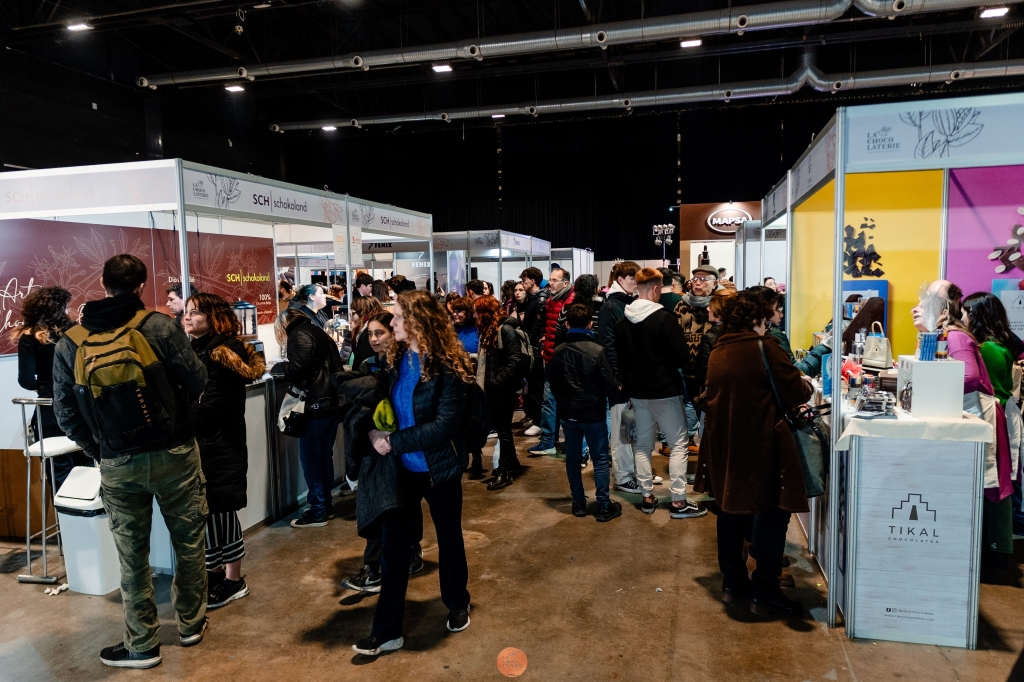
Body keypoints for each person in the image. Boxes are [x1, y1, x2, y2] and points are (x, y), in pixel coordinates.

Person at [52, 254, 209, 669]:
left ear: (103, 285)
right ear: (141, 286)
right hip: (175, 453)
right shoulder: (159, 326)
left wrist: (100, 449)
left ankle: (142, 644)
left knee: (132, 554)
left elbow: (65, 413)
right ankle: (191, 625)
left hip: (118, 461)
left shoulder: (72, 341)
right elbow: (197, 378)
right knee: (188, 541)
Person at [355, 290, 473, 657]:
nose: (392, 323)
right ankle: (386, 631)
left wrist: (393, 441)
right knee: (393, 549)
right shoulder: (396, 358)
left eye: (398, 317)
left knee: (449, 539)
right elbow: (383, 406)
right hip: (402, 470)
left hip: (440, 469)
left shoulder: (449, 365)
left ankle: (457, 602)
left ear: (419, 321)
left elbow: (443, 426)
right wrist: (373, 432)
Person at [696, 289, 811, 616]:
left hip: (725, 445)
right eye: (775, 309)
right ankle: (765, 592)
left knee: (730, 512)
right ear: (761, 313)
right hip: (762, 445)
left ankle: (732, 583)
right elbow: (796, 391)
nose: (779, 315)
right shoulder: (765, 347)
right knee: (773, 515)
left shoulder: (721, 347)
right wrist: (806, 382)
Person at [919, 283, 1013, 579]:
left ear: (945, 308)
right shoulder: (941, 335)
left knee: (983, 490)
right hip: (967, 418)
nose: (918, 306)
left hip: (976, 419)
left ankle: (987, 558)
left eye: (928, 301)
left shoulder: (956, 336)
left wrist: (928, 384)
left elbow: (969, 378)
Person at [183, 293, 265, 610]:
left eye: (194, 312)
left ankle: (234, 581)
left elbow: (210, 407)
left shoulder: (221, 353)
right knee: (210, 512)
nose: (187, 316)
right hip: (207, 445)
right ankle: (216, 573)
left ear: (213, 317)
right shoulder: (200, 348)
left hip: (219, 445)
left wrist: (178, 415)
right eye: (186, 311)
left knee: (223, 511)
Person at [342, 311, 426, 593]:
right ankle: (374, 567)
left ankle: (409, 551)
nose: (375, 339)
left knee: (404, 504)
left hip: (406, 447)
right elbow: (357, 408)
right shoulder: (368, 365)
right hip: (378, 450)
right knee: (381, 505)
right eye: (370, 334)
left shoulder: (407, 364)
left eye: (381, 332)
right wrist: (370, 431)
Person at [615, 268, 704, 519]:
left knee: (643, 446)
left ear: (637, 287)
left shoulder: (622, 322)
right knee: (678, 445)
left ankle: (647, 496)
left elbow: (620, 360)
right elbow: (682, 356)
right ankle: (678, 501)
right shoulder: (665, 318)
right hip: (666, 391)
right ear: (656, 288)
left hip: (637, 394)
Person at [273, 307, 344, 527]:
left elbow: (298, 368)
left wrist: (278, 368)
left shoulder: (299, 334)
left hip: (315, 405)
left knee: (312, 460)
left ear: (284, 324)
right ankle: (326, 505)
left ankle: (318, 510)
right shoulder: (316, 331)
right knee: (323, 458)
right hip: (329, 403)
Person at [549, 303, 621, 522]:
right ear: (590, 324)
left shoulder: (558, 351)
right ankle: (603, 505)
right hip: (593, 413)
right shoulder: (597, 351)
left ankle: (578, 502)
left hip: (568, 414)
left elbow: (553, 384)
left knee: (572, 459)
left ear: (567, 324)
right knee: (600, 459)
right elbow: (609, 385)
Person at [15, 285, 91, 489]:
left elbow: (26, 380)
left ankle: (64, 509)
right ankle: (86, 508)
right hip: (80, 405)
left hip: (50, 409)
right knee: (86, 465)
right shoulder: (76, 333)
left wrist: (46, 387)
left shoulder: (30, 337)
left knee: (59, 470)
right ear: (59, 309)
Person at [598, 261, 642, 494]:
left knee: (631, 427)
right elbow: (608, 345)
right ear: (620, 279)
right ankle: (623, 476)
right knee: (621, 429)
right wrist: (616, 376)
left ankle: (633, 471)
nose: (636, 282)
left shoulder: (629, 302)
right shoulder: (611, 306)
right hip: (620, 379)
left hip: (632, 377)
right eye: (632, 278)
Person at [475, 296, 526, 490]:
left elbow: (515, 361)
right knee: (502, 428)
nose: (474, 315)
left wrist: (495, 382)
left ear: (485, 313)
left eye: (477, 311)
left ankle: (505, 471)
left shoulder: (504, 330)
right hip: (497, 389)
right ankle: (512, 463)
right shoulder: (489, 331)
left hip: (503, 390)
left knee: (503, 430)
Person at [530, 267, 574, 456]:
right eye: (550, 279)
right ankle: (548, 440)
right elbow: (547, 329)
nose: (550, 283)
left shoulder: (571, 302)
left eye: (555, 280)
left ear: (565, 283)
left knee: (564, 402)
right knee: (549, 401)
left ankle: (570, 441)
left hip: (565, 361)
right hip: (550, 358)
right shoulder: (550, 300)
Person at [674, 263, 718, 436]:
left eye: (703, 279)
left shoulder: (719, 305)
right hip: (689, 372)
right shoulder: (682, 305)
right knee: (697, 410)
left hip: (712, 373)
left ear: (715, 283)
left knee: (714, 417)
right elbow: (675, 336)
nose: (698, 283)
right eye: (695, 279)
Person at [519, 267, 549, 434]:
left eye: (524, 280)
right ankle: (536, 418)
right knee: (532, 386)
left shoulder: (541, 299)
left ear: (532, 280)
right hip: (532, 347)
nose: (522, 283)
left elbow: (536, 326)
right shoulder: (534, 299)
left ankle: (539, 422)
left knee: (537, 387)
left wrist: (529, 343)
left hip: (536, 349)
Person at [554, 274, 602, 346]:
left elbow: (559, 333)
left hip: (567, 348)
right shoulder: (599, 310)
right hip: (593, 349)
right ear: (593, 290)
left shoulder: (566, 309)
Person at [750, 286, 794, 362]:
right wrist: (817, 350)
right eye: (777, 310)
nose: (781, 315)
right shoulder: (773, 334)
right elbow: (791, 366)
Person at [348, 296, 385, 370]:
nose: (350, 320)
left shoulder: (367, 334)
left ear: (363, 312)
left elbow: (363, 365)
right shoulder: (369, 330)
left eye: (353, 314)